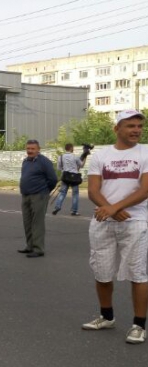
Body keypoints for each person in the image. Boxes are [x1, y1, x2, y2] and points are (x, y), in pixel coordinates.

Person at [83, 110, 148, 344]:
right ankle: (106, 316)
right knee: (102, 272)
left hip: (136, 220)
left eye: (139, 126)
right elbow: (93, 190)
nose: (136, 130)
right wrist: (110, 209)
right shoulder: (101, 156)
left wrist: (114, 208)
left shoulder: (146, 152)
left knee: (138, 273)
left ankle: (139, 325)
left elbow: (144, 189)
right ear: (117, 129)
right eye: (130, 126)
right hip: (103, 220)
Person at [18, 139, 58, 258]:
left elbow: (53, 179)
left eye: (32, 149)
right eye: (28, 149)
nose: (30, 151)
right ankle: (29, 246)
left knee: (37, 223)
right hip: (26, 195)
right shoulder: (26, 161)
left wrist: (44, 191)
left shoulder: (44, 162)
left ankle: (38, 248)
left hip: (39, 195)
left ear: (38, 149)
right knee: (27, 222)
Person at [53, 143, 88, 216]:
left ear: (65, 148)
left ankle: (57, 206)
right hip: (74, 178)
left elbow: (59, 168)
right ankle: (74, 211)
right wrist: (85, 157)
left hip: (65, 177)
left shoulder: (61, 157)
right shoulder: (75, 157)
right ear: (71, 148)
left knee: (62, 193)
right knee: (75, 194)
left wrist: (65, 169)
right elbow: (81, 165)